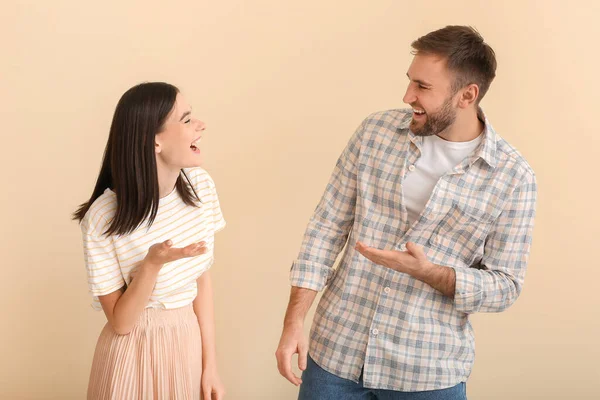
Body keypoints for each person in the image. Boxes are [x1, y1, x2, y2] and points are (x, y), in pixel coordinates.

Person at [276, 25, 537, 399]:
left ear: (468, 95)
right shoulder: (374, 133)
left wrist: (431, 273)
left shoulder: (513, 178)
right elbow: (326, 227)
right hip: (335, 353)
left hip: (426, 371)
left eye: (423, 87)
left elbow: (506, 285)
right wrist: (293, 323)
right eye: (410, 81)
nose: (407, 95)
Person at [73, 82, 226, 399]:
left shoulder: (201, 187)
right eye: (186, 119)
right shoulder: (102, 218)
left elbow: (202, 281)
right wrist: (151, 266)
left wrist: (210, 365)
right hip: (131, 352)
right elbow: (121, 323)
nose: (201, 125)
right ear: (154, 141)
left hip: (186, 342)